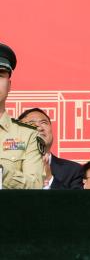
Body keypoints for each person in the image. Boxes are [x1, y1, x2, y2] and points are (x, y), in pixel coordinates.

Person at [0, 42, 44, 189]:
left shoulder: (28, 134)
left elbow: (36, 186)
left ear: (9, 85)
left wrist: (3, 173)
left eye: (0, 75)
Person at [17, 107, 83, 189]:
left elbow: (75, 197)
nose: (39, 128)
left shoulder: (73, 170)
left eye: (44, 123)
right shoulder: (7, 167)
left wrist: (49, 179)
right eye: (31, 123)